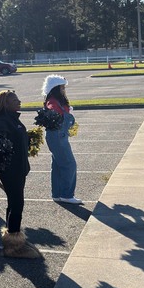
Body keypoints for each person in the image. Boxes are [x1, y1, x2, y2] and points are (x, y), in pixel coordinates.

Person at [0, 90, 41, 258]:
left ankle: (13, 238)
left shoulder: (11, 119)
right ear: (6, 104)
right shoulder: (2, 122)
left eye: (18, 99)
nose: (19, 102)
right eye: (15, 100)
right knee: (17, 203)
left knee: (14, 203)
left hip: (19, 168)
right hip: (11, 170)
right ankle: (13, 246)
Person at [42, 74, 81, 205]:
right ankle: (67, 194)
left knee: (58, 165)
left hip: (59, 136)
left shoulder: (56, 100)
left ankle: (57, 194)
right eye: (62, 88)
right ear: (55, 88)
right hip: (57, 137)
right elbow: (51, 110)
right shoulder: (52, 101)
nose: (64, 90)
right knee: (69, 164)